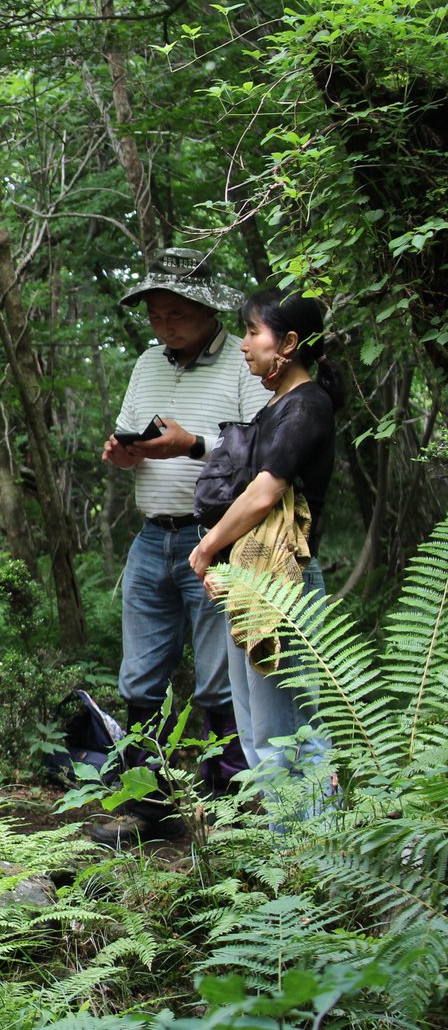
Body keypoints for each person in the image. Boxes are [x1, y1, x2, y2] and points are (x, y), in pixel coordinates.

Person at [88, 247, 264, 846]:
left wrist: (193, 446)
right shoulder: (145, 364)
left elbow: (260, 453)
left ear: (205, 309)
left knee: (219, 679)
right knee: (139, 678)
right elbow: (134, 431)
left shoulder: (242, 363)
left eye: (176, 312)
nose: (164, 323)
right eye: (155, 313)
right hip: (150, 537)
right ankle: (150, 812)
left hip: (215, 537)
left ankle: (229, 812)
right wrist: (125, 452)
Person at [188, 289, 339, 807]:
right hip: (252, 585)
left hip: (286, 587)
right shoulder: (275, 406)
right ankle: (290, 860)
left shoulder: (308, 405)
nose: (245, 344)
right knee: (258, 733)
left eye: (253, 332)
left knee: (292, 734)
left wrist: (206, 547)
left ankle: (324, 865)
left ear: (289, 343)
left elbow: (263, 492)